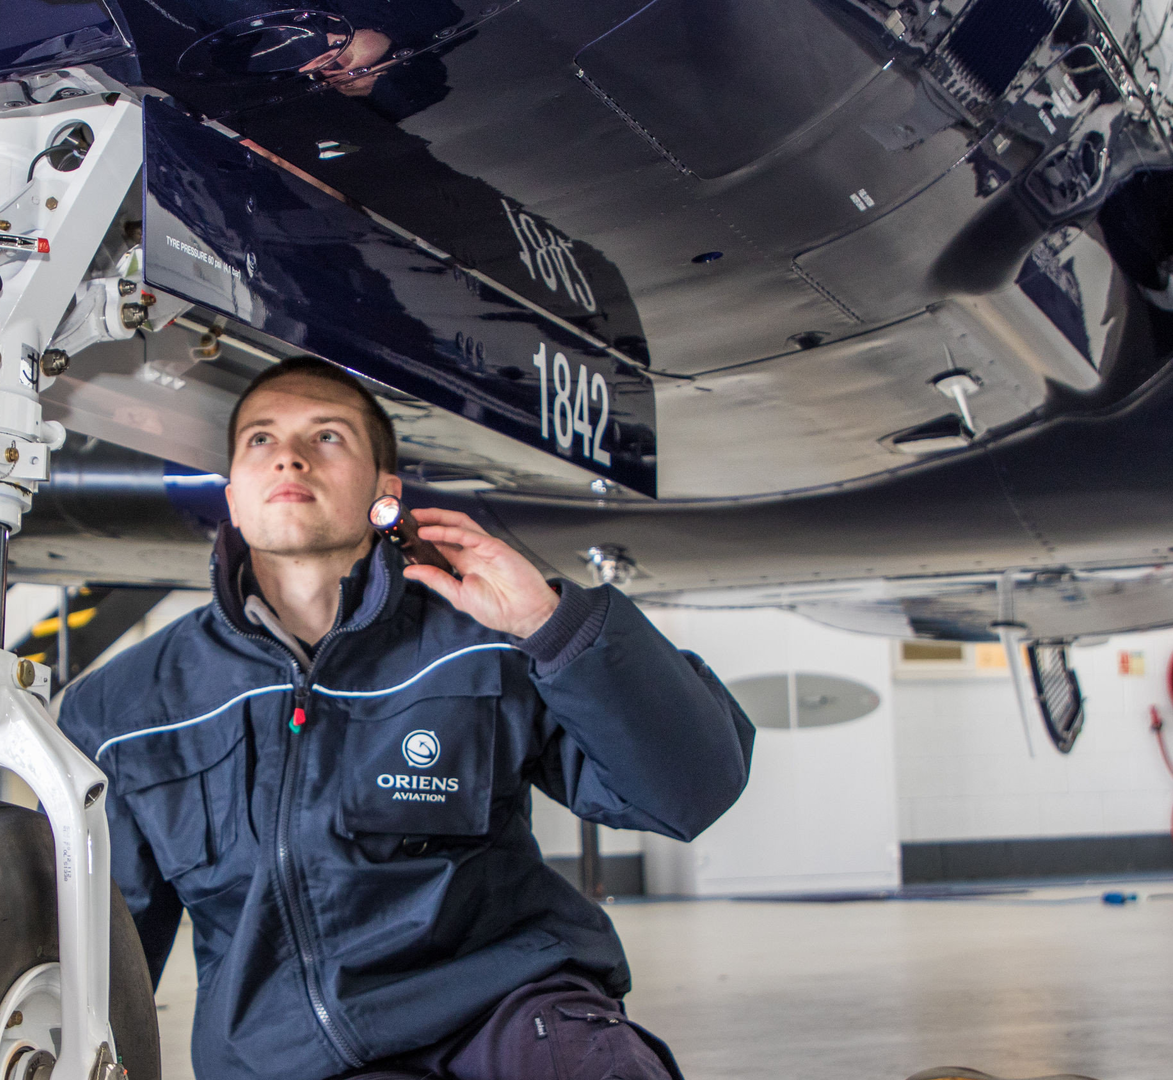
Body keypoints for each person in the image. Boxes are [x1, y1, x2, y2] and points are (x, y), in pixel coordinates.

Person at [58, 357, 755, 1080]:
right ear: (232, 498)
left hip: (508, 1012)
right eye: (260, 440)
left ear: (384, 493)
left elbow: (690, 790)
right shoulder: (123, 708)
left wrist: (552, 623)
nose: (289, 455)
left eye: (327, 437)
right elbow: (103, 957)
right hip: (293, 1057)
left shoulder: (485, 642)